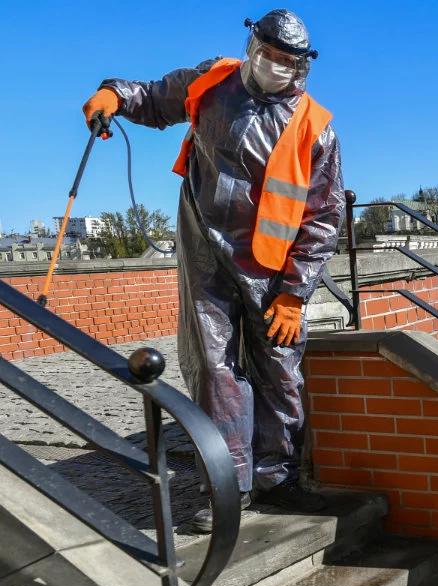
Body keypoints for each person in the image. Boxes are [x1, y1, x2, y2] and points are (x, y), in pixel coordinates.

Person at [82, 9, 344, 531]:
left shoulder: (316, 130)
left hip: (271, 269)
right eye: (268, 55)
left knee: (280, 371)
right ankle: (226, 487)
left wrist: (294, 294)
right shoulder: (214, 79)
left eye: (286, 61)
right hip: (207, 251)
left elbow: (324, 216)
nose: (274, 66)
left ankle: (279, 479)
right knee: (215, 370)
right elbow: (156, 96)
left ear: (302, 67)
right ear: (252, 47)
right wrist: (112, 94)